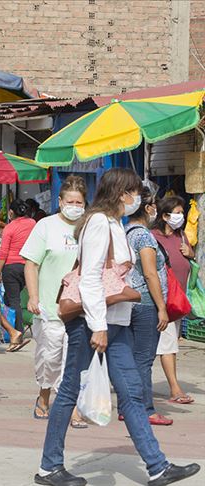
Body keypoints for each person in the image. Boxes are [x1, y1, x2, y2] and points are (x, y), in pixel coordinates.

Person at [35, 168, 200, 486]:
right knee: (69, 390)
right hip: (92, 324)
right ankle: (49, 467)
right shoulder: (99, 222)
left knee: (132, 393)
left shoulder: (113, 223)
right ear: (121, 193)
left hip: (116, 322)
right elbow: (91, 277)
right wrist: (98, 327)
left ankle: (157, 466)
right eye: (134, 192)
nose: (138, 198)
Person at [21, 175, 88, 427]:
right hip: (50, 308)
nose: (74, 206)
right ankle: (44, 395)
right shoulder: (45, 226)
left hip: (80, 308)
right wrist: (34, 297)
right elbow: (31, 264)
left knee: (74, 360)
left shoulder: (89, 227)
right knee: (50, 358)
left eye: (79, 202)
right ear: (60, 201)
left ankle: (71, 407)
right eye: (70, 201)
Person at [125, 185, 174, 427]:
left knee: (133, 358)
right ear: (147, 208)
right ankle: (145, 409)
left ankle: (129, 406)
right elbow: (150, 273)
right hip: (145, 303)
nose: (156, 209)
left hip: (131, 302)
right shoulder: (143, 236)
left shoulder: (126, 231)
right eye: (154, 205)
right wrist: (161, 307)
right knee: (144, 359)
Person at [151, 196, 195, 406]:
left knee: (164, 344)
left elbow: (188, 262)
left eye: (182, 212)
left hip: (177, 301)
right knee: (168, 345)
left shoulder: (181, 236)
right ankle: (175, 388)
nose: (181, 216)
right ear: (165, 216)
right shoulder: (153, 237)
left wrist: (190, 253)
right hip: (160, 300)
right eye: (177, 213)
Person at [0, 199, 35, 352]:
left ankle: (17, 333)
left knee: (13, 301)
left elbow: (3, 252)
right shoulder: (32, 223)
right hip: (29, 266)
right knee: (15, 298)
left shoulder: (9, 227)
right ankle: (15, 329)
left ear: (11, 212)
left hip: (11, 267)